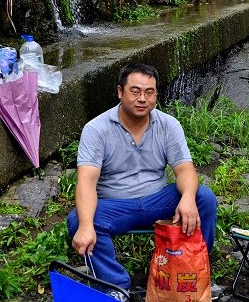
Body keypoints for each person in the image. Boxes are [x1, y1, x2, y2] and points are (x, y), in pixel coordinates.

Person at [67, 63, 218, 297]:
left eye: (149, 92)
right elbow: (86, 181)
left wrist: (187, 197)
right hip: (117, 207)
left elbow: (185, 170)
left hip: (157, 202)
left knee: (203, 198)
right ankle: (115, 286)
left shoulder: (168, 125)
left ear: (156, 94)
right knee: (79, 219)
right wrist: (86, 226)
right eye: (135, 91)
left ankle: (196, 271)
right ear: (120, 92)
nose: (142, 99)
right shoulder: (96, 129)